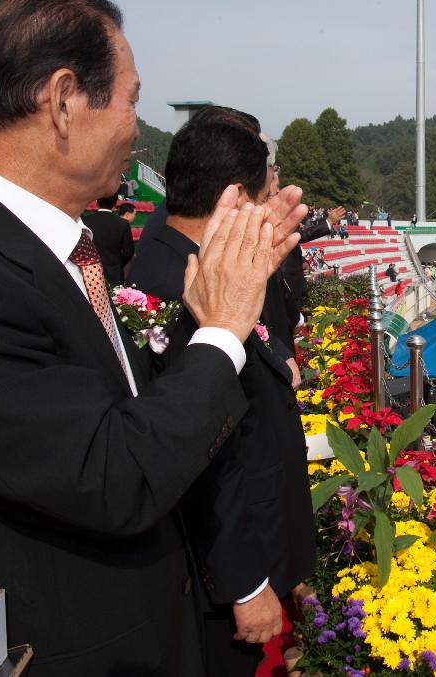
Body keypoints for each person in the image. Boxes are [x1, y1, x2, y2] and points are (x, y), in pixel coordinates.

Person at [0, 0, 307, 677]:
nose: (135, 127)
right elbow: (113, 474)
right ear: (61, 101)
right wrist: (222, 328)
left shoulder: (62, 253)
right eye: (129, 98)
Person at [127, 107, 314, 675]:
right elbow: (197, 454)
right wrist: (244, 582)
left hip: (258, 534)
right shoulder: (173, 284)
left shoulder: (200, 261)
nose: (271, 206)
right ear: (235, 198)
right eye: (265, 193)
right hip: (226, 570)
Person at [82, 192, 135, 284]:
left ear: (97, 202)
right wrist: (117, 263)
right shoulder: (122, 223)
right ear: (115, 203)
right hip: (114, 273)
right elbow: (128, 251)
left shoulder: (86, 221)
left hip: (90, 272)